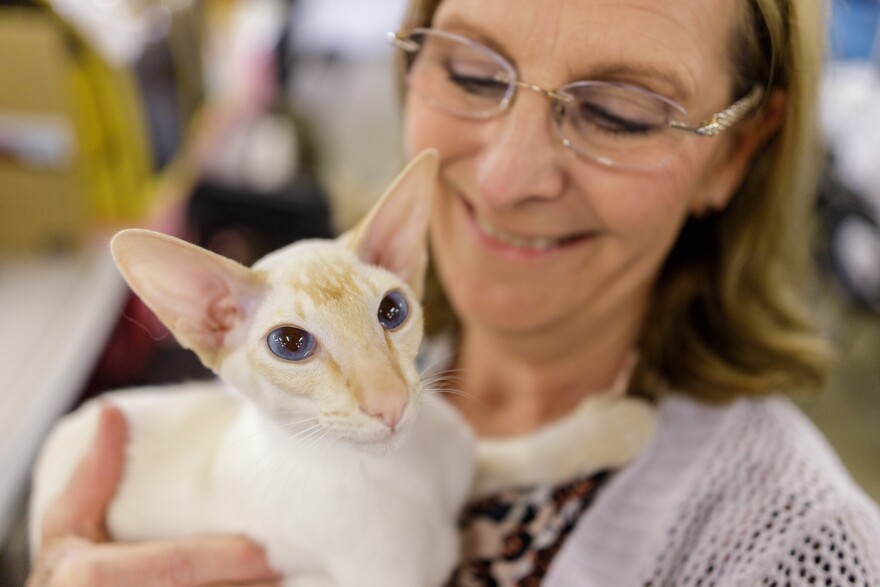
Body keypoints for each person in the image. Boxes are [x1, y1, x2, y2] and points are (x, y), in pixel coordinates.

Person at [27, 0, 880, 584]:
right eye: (473, 73)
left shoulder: (796, 547)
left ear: (735, 152)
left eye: (620, 111)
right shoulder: (375, 338)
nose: (507, 179)